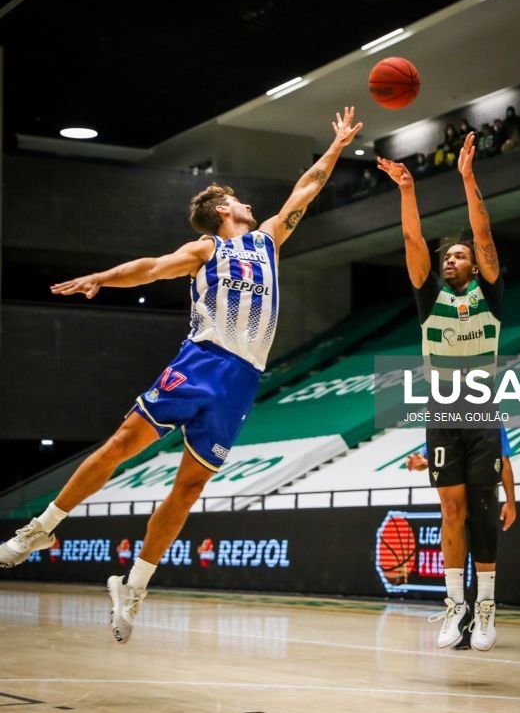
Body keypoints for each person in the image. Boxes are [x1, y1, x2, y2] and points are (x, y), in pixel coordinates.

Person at [0, 106, 363, 643]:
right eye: (236, 198)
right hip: (201, 362)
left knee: (189, 487)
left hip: (242, 379)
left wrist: (334, 147)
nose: (247, 202)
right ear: (222, 211)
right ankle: (41, 529)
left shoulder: (267, 241)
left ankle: (136, 585)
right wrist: (101, 276)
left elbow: (305, 189)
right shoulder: (205, 249)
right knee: (125, 440)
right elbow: (148, 267)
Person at [377, 131, 504, 652]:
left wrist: (468, 178)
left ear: (473, 265)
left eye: (458, 255)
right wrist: (407, 189)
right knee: (451, 509)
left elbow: (484, 232)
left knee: (482, 507)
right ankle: (455, 608)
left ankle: (488, 607)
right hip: (440, 409)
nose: (449, 260)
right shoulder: (430, 300)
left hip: (480, 407)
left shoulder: (489, 291)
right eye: (446, 256)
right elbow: (412, 242)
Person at [406, 425, 517, 532]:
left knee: (483, 543)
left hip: (482, 494)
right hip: (458, 498)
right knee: (454, 519)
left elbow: (503, 460)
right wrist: (417, 462)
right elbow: (426, 458)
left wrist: (510, 503)